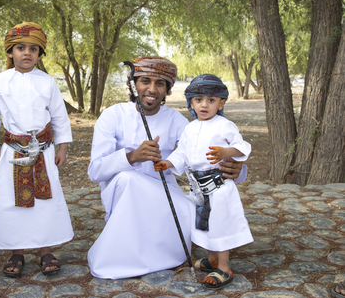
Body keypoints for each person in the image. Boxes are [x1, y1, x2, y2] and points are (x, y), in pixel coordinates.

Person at [87, 57, 246, 279]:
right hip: (123, 194)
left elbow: (203, 158)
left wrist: (237, 170)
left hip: (164, 193)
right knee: (128, 178)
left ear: (167, 90)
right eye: (145, 81)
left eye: (160, 83)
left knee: (193, 213)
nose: (151, 89)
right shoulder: (113, 115)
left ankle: (169, 255)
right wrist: (132, 156)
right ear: (134, 84)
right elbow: (95, 171)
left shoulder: (178, 121)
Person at [0, 22, 73, 278]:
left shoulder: (47, 82)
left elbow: (59, 117)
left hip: (43, 150)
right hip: (12, 151)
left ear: (39, 54)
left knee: (45, 201)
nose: (27, 53)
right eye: (21, 48)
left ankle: (45, 250)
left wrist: (62, 146)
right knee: (12, 202)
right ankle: (16, 251)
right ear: (10, 52)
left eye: (33, 49)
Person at [154, 74, 253, 289]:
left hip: (218, 187)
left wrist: (226, 151)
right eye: (198, 100)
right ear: (191, 103)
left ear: (221, 103)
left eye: (210, 100)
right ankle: (212, 259)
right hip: (198, 188)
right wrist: (168, 163)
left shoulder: (224, 125)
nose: (204, 105)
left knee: (219, 225)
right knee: (203, 224)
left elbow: (243, 146)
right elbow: (182, 153)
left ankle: (224, 268)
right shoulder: (190, 128)